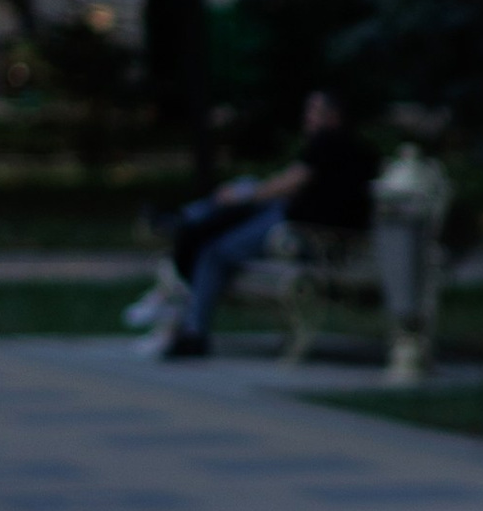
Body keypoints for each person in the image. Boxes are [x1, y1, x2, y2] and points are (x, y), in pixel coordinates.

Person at [158, 88, 380, 359]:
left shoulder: (327, 143)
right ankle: (188, 217)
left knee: (213, 251)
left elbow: (290, 183)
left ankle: (194, 332)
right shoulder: (359, 151)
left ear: (334, 117)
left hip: (302, 232)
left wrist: (246, 196)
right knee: (238, 200)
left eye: (314, 112)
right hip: (315, 231)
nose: (307, 119)